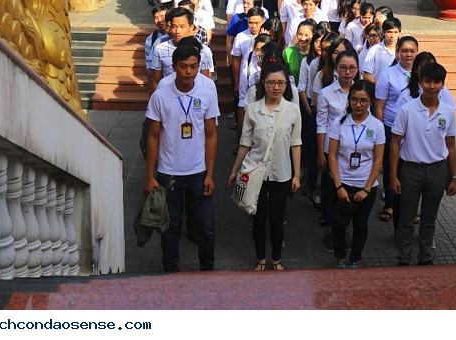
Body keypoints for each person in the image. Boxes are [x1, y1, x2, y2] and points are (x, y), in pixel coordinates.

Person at [145, 44, 219, 272]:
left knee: (206, 227)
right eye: (184, 66)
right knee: (170, 227)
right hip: (169, 174)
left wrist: (210, 174)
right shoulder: (160, 96)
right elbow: (153, 136)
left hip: (198, 174)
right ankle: (170, 272)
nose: (189, 71)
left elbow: (211, 134)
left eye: (193, 67)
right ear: (175, 67)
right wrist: (150, 176)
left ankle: (207, 270)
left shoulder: (207, 93)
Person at [228, 63, 302, 271]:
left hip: (282, 174)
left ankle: (277, 259)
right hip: (255, 174)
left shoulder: (293, 111)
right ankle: (261, 258)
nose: (276, 87)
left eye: (280, 83)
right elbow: (245, 144)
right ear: (264, 84)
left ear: (286, 85)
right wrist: (235, 170)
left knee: (277, 220)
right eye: (271, 82)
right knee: (258, 218)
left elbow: (296, 144)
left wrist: (297, 175)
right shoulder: (252, 110)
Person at [391, 62, 456, 266]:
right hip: (411, 170)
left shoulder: (448, 111)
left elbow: (452, 145)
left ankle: (425, 257)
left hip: (438, 171)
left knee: (429, 219)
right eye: (427, 81)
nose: (432, 86)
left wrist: (454, 176)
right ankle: (404, 258)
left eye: (437, 82)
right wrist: (394, 176)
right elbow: (395, 142)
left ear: (442, 85)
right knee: (406, 218)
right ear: (420, 82)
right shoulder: (407, 110)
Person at [328, 79, 384, 268]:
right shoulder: (339, 123)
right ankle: (340, 257)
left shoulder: (377, 126)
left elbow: (378, 159)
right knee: (338, 224)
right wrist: (338, 186)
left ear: (371, 102)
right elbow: (333, 155)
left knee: (361, 225)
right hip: (341, 184)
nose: (358, 105)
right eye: (354, 100)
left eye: (363, 101)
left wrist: (367, 189)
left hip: (365, 186)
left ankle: (356, 258)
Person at [316, 48, 360, 252]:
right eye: (343, 68)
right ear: (336, 68)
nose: (347, 72)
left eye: (352, 68)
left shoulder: (362, 92)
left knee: (350, 191)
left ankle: (345, 228)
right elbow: (321, 124)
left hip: (355, 152)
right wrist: (320, 153)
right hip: (330, 151)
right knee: (331, 192)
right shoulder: (326, 93)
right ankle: (330, 229)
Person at [374, 36, 418, 225]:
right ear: (398, 52)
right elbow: (380, 106)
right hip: (391, 127)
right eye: (405, 50)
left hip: (415, 131)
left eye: (412, 51)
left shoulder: (421, 74)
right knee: (392, 166)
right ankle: (390, 204)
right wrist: (380, 131)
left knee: (413, 168)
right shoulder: (389, 74)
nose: (408, 54)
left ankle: (412, 207)